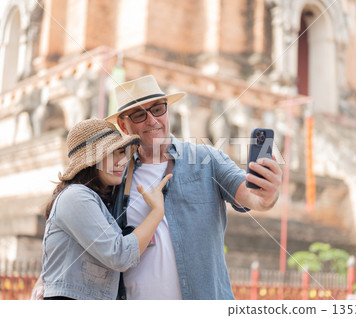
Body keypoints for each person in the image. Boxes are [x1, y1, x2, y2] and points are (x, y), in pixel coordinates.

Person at [106, 75, 283, 300]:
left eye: (158, 109)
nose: (152, 120)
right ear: (123, 125)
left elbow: (251, 197)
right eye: (140, 114)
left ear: (168, 111)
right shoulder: (114, 176)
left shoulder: (206, 158)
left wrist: (267, 195)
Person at [40, 118, 172, 300]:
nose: (122, 161)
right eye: (112, 154)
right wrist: (157, 212)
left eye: (123, 153)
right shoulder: (76, 196)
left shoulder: (97, 201)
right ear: (90, 161)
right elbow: (120, 256)